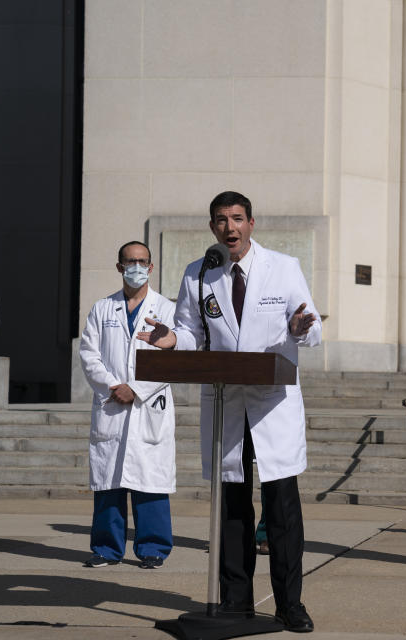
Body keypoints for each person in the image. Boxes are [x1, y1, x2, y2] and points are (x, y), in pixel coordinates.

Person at [139, 191, 321, 632]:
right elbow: (189, 332)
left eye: (237, 219)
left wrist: (299, 328)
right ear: (212, 228)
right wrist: (169, 339)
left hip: (272, 402)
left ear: (252, 223)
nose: (230, 227)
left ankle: (288, 603)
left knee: (281, 510)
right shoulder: (199, 273)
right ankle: (236, 599)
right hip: (227, 403)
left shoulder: (283, 267)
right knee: (232, 508)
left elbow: (308, 324)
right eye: (221, 220)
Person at [79, 241, 177, 570]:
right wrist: (113, 386)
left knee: (150, 481)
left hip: (149, 406)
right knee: (109, 482)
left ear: (151, 267)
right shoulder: (103, 309)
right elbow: (89, 354)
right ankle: (107, 549)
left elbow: (171, 358)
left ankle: (153, 548)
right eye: (130, 262)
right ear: (120, 267)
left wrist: (135, 389)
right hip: (112, 404)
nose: (136, 267)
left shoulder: (165, 309)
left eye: (142, 261)